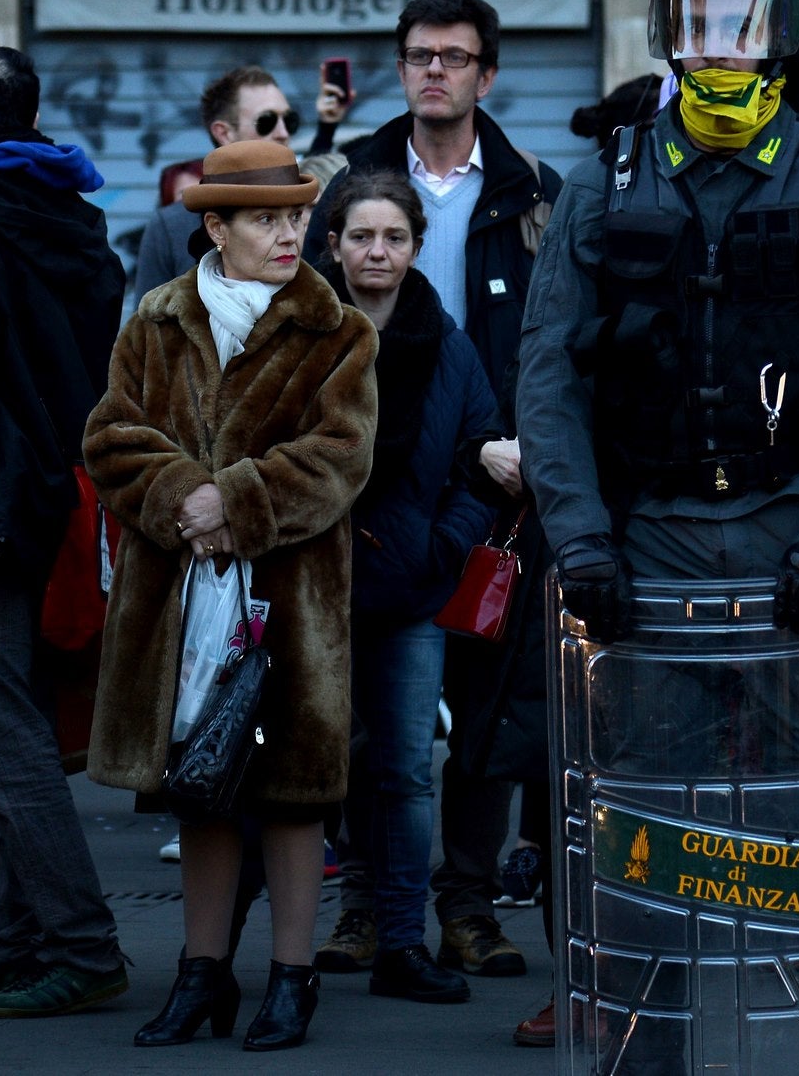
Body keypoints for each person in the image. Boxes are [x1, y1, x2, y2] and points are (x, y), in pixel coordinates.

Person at [517, 0, 799, 1065]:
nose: (718, 42)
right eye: (698, 17)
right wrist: (582, 541)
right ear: (666, 24)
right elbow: (547, 372)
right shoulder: (603, 182)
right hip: (640, 562)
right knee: (639, 845)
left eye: (740, 20)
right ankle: (637, 1056)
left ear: (783, 28)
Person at [84, 139, 377, 1051]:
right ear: (214, 226)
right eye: (266, 218)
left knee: (292, 794)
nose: (290, 233)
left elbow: (342, 456)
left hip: (292, 598)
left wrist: (236, 503)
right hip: (175, 599)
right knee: (197, 789)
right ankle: (200, 975)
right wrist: (184, 502)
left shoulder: (339, 328)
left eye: (296, 215)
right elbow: (110, 435)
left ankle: (291, 982)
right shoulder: (156, 320)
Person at [306, 0, 563, 986]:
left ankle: (464, 907)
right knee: (363, 722)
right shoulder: (352, 179)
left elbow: (558, 338)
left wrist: (524, 451)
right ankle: (368, 903)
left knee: (483, 716)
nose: (435, 70)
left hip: (497, 479)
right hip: (369, 493)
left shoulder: (534, 188)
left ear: (485, 74)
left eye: (454, 56)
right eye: (420, 53)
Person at [0, 39, 130, 1018]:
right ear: (35, 116)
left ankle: (83, 947)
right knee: (26, 727)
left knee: (1, 740)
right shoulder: (78, 214)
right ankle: (12, 939)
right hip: (60, 497)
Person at [314, 169, 499, 1004]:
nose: (377, 252)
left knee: (405, 768)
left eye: (393, 237)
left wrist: (446, 541)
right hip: (319, 584)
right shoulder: (302, 336)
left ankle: (400, 938)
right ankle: (353, 916)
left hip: (415, 587)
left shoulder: (449, 344)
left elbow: (480, 456)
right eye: (361, 236)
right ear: (334, 246)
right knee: (335, 763)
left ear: (417, 247)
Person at [133, 64, 350, 298]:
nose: (283, 132)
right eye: (266, 121)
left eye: (289, 120)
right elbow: (149, 321)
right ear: (223, 133)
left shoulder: (310, 209)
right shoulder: (172, 225)